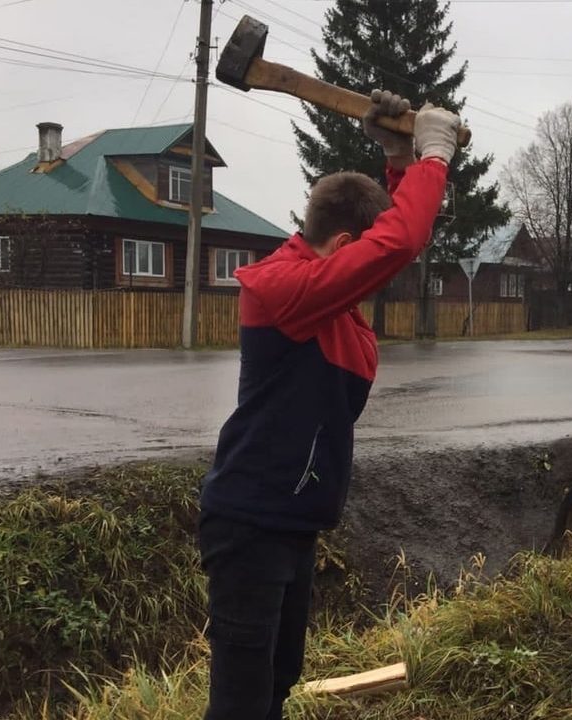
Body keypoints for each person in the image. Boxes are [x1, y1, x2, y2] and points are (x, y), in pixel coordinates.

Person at [195, 90, 460, 720]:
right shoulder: (286, 290)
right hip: (249, 522)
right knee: (239, 701)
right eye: (360, 260)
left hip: (291, 522)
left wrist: (398, 158)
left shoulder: (327, 301)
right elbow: (398, 242)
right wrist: (433, 158)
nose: (373, 276)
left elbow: (394, 242)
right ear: (343, 246)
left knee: (279, 681)